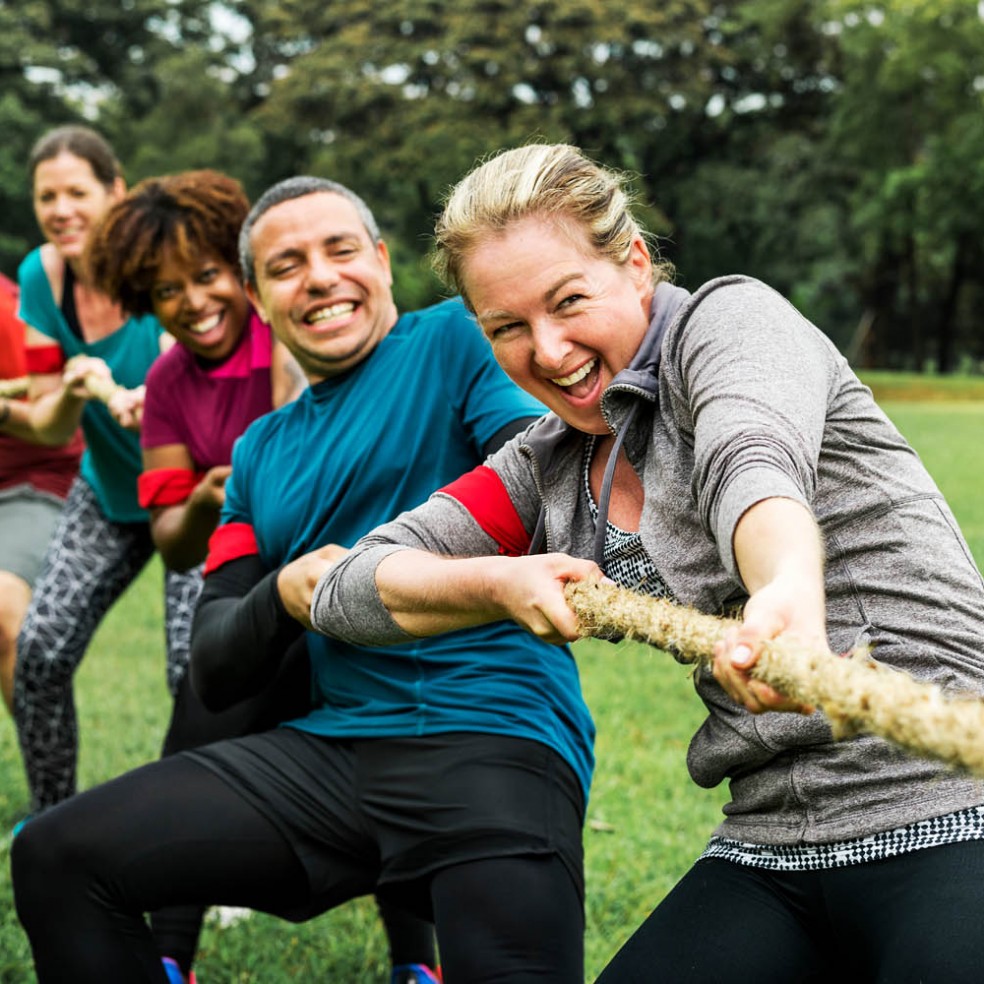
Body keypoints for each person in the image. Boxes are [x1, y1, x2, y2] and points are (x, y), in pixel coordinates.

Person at [302, 143, 984, 982]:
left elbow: (752, 463)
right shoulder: (544, 467)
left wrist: (787, 597)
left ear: (632, 265)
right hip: (770, 841)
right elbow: (350, 589)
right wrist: (497, 582)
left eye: (567, 302)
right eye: (507, 328)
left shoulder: (731, 325)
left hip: (950, 799)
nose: (547, 351)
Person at [12, 174, 593, 984]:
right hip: (336, 758)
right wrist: (284, 591)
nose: (319, 276)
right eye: (286, 266)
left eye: (340, 250)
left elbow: (543, 481)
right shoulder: (258, 454)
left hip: (492, 741)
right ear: (257, 295)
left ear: (383, 262)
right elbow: (215, 666)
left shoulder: (454, 344)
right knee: (56, 854)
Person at [85, 168, 434, 984]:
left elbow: (319, 433)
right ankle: (171, 957)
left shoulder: (294, 328)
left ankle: (418, 964)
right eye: (164, 290)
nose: (193, 302)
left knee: (393, 749)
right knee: (195, 733)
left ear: (240, 280)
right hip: (251, 590)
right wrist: (213, 495)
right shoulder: (170, 384)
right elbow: (173, 541)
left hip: (356, 579)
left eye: (206, 277)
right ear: (145, 301)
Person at [2, 125, 201, 818]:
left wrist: (165, 396)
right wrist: (74, 389)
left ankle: (220, 845)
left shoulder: (163, 264)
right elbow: (50, 426)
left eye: (77, 193)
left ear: (115, 192)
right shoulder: (41, 277)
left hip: (195, 494)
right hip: (111, 490)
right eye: (46, 196)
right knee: (40, 653)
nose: (61, 210)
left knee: (196, 672)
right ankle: (53, 822)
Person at [0, 280, 83, 715]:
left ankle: (49, 779)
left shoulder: (9, 314)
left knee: (2, 608)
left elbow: (57, 431)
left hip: (29, 482)